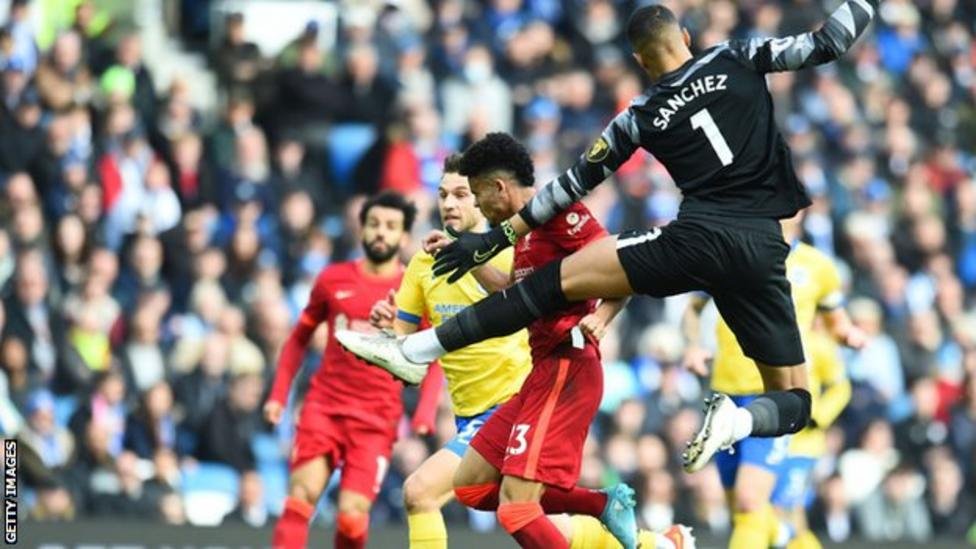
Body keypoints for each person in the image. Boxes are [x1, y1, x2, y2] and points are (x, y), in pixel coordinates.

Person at [335, 1, 880, 473]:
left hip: (695, 239)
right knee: (796, 401)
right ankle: (737, 421)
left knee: (553, 283)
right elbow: (830, 40)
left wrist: (492, 239)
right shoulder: (738, 56)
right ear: (685, 38)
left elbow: (568, 188)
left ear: (641, 61)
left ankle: (418, 349)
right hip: (763, 250)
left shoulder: (639, 114)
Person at [368, 152, 693, 549]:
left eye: (470, 194)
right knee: (473, 489)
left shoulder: (557, 216)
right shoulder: (511, 237)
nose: (460, 203)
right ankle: (613, 514)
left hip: (565, 366)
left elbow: (623, 263)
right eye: (446, 195)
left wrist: (604, 317)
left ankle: (615, 517)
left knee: (495, 505)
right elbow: (512, 291)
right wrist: (466, 259)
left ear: (496, 189)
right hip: (536, 379)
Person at [265, 191, 437, 549]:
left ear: (404, 237)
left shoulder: (415, 290)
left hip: (376, 419)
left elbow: (435, 355)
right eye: (374, 224)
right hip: (324, 407)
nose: (381, 233)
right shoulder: (332, 280)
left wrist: (424, 412)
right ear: (361, 230)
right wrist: (279, 395)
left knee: (352, 516)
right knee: (300, 496)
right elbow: (298, 339)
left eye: (391, 226)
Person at [681, 213, 861, 549]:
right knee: (745, 513)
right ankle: (785, 538)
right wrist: (692, 345)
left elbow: (837, 322)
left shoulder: (818, 266)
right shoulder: (729, 253)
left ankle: (783, 534)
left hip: (775, 395)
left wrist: (849, 334)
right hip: (725, 395)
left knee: (752, 501)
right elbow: (693, 308)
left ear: (802, 210)